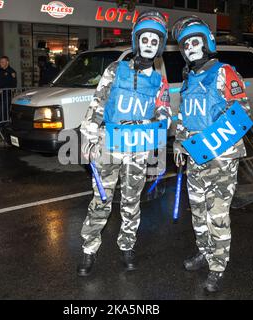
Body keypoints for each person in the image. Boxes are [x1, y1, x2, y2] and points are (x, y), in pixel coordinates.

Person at [77, 10, 171, 277]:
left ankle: (127, 246)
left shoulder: (159, 81)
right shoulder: (115, 70)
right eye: (146, 39)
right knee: (101, 200)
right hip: (108, 145)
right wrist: (89, 137)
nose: (149, 45)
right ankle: (88, 249)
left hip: (138, 150)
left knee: (131, 201)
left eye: (155, 41)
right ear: (137, 41)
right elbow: (97, 105)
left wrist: (152, 125)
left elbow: (165, 115)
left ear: (160, 45)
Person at [172, 16, 251, 292]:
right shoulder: (188, 79)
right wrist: (179, 143)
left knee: (217, 215)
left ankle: (218, 266)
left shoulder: (223, 72)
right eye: (186, 44)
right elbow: (184, 116)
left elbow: (243, 112)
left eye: (195, 42)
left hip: (221, 159)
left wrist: (209, 142)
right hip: (195, 158)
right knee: (197, 212)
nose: (191, 47)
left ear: (207, 44)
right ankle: (204, 252)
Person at [0, 56, 17, 123]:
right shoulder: (1, 70)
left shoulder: (11, 72)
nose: (0, 63)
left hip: (6, 95)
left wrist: (3, 89)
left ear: (7, 62)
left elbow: (13, 85)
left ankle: (2, 126)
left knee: (2, 111)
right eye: (0, 62)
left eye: (2, 62)